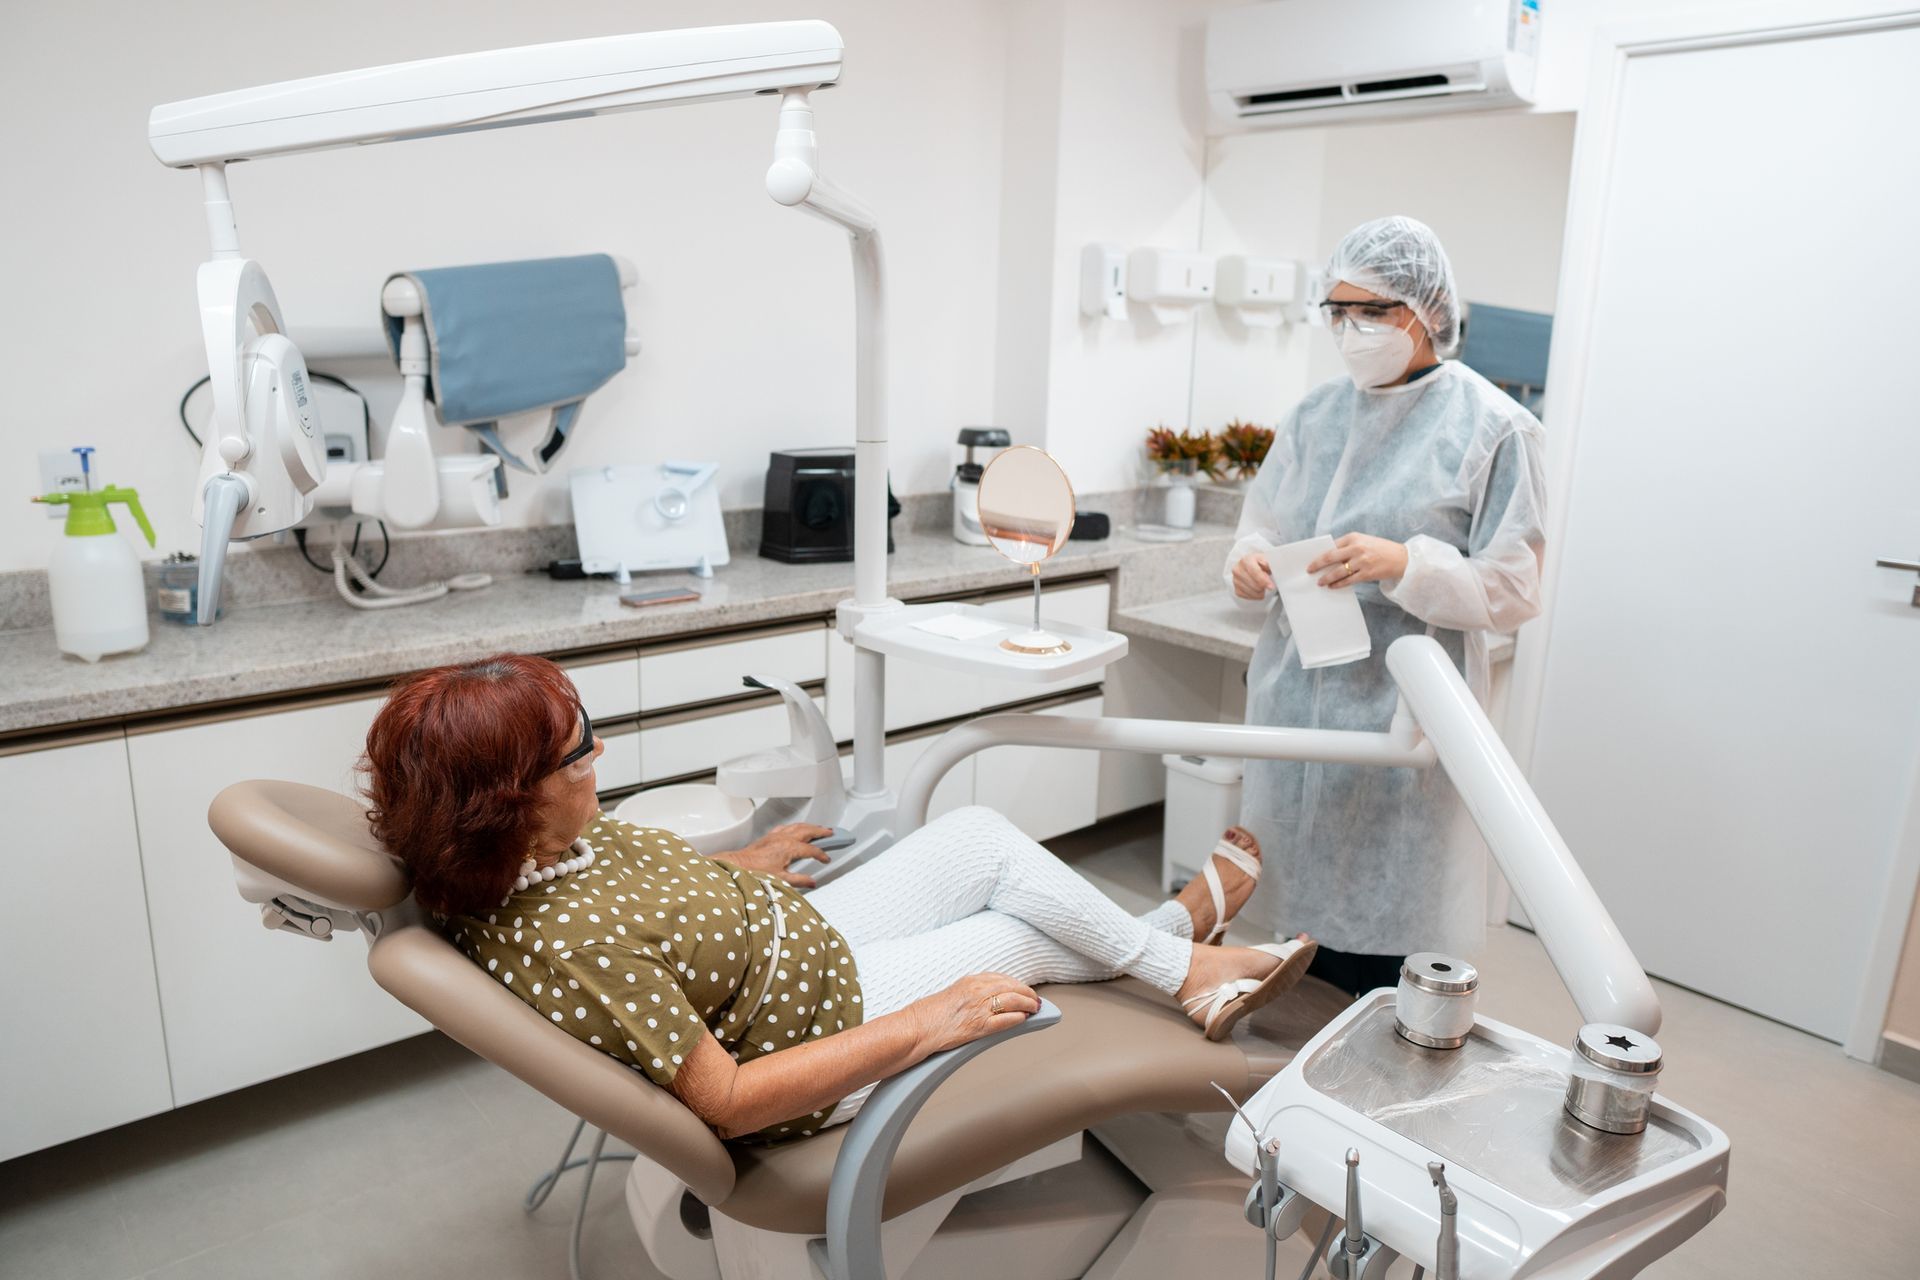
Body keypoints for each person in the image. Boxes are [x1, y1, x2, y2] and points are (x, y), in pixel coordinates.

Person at [360, 653, 1317, 1142]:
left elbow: (635, 894)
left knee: (982, 839)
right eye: (580, 750)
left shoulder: (531, 850)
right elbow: (727, 1102)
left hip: (786, 949)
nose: (598, 755)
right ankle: (1187, 956)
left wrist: (744, 865)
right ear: (511, 799)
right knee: (1009, 937)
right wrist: (929, 1023)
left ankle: (1178, 947)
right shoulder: (577, 947)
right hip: (813, 1029)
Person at [1224, 215, 1547, 997]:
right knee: (1294, 927)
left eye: (1368, 311)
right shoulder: (1314, 416)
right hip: (1296, 701)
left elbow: (1513, 586)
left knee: (1384, 942)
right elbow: (1260, 523)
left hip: (1400, 721)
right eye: (1337, 312)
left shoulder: (1496, 428)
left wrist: (1407, 563)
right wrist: (1248, 562)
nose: (1350, 330)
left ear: (1423, 309)